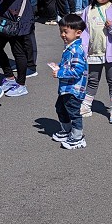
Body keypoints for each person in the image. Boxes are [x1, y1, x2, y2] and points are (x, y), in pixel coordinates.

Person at [47, 14, 89, 150]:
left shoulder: (76, 50)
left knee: (73, 112)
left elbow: (77, 71)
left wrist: (60, 73)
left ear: (78, 33)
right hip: (66, 88)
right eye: (61, 31)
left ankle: (78, 137)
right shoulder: (70, 48)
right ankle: (67, 130)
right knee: (61, 107)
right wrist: (59, 66)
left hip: (74, 89)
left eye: (66, 31)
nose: (63, 35)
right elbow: (69, 65)